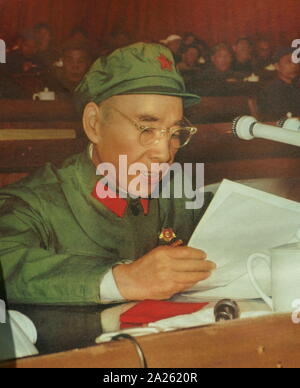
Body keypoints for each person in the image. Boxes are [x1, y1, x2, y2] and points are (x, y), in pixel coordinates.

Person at [0, 43, 216, 305]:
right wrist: (122, 280)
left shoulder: (178, 190)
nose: (164, 153)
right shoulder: (35, 202)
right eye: (147, 129)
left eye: (174, 133)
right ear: (94, 124)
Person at [257, 47, 300, 120]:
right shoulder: (273, 90)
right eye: (289, 62)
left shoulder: (295, 86)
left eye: (296, 62)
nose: (294, 66)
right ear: (277, 66)